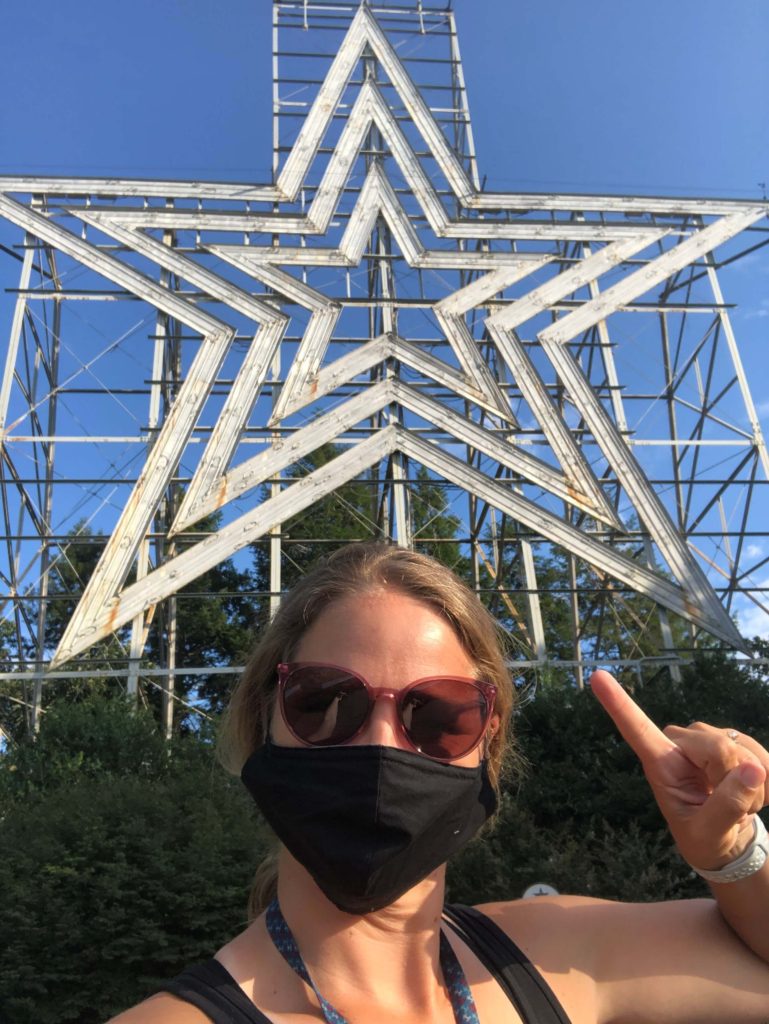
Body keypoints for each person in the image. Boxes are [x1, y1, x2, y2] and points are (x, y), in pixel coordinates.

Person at [110, 542, 769, 1024]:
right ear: (264, 722)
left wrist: (732, 855)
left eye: (440, 716)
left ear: (488, 745)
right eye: (324, 702)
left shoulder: (556, 953)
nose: (380, 743)